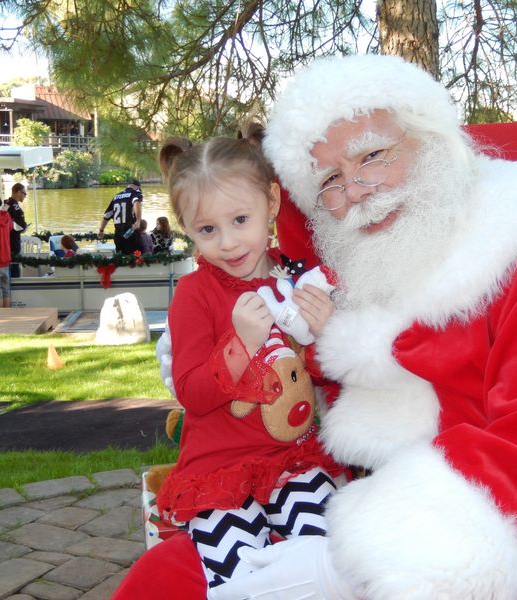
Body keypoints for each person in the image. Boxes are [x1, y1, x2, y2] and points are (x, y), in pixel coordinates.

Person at [115, 55, 517, 600]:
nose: (356, 190)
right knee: (159, 585)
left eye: (373, 155)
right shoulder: (359, 266)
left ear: (429, 138)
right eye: (330, 180)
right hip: (344, 503)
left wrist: (363, 555)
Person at [151, 134, 345, 592]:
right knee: (241, 577)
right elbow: (194, 395)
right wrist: (239, 343)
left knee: (336, 551)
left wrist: (325, 334)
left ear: (271, 201)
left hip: (292, 459)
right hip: (219, 470)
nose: (229, 242)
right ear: (187, 228)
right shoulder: (196, 296)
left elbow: (317, 375)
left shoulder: (294, 278)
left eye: (241, 219)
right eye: (207, 230)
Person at [98, 179, 142, 253]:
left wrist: (101, 230)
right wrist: (138, 221)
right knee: (134, 258)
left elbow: (107, 215)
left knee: (120, 258)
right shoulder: (136, 193)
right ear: (137, 187)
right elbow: (136, 202)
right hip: (131, 232)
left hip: (118, 235)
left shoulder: (116, 197)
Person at [5, 182, 28, 278]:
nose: (25, 196)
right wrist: (24, 227)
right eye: (24, 193)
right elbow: (21, 227)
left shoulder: (3, 204)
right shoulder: (17, 209)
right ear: (18, 192)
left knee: (5, 271)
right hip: (13, 243)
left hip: (3, 243)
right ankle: (14, 291)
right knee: (14, 271)